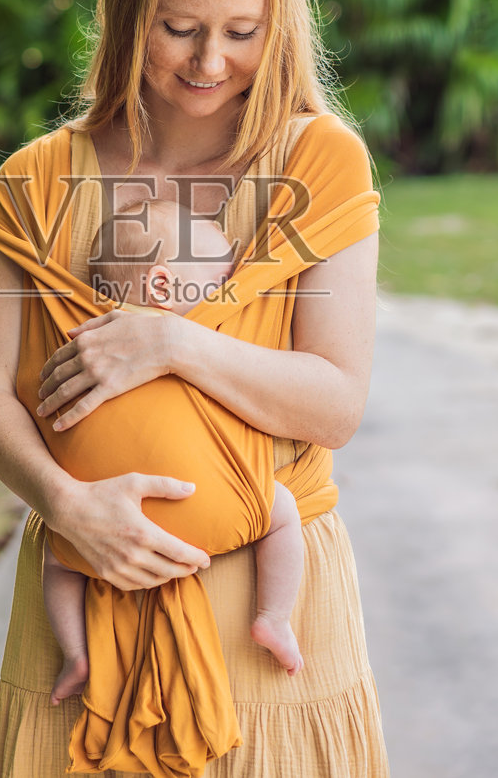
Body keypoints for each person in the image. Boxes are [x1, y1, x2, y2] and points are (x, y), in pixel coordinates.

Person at [0, 0, 389, 777]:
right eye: (179, 28)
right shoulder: (37, 180)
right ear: (129, 11)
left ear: (280, 24)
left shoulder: (318, 162)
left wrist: (170, 341)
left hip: (266, 613)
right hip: (86, 588)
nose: (209, 62)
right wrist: (69, 508)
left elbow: (334, 404)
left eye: (242, 31)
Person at [41, 197, 308, 709]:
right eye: (222, 280)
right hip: (204, 503)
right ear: (163, 287)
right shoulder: (207, 345)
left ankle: (75, 654)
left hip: (98, 518)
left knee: (55, 557)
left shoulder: (85, 347)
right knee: (282, 513)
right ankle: (273, 618)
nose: (230, 293)